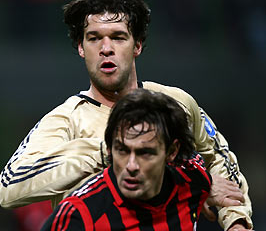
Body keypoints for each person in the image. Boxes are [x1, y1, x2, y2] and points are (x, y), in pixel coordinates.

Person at [0, 0, 253, 230]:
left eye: (118, 37)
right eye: (94, 38)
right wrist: (106, 151)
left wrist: (236, 221)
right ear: (80, 48)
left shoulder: (176, 103)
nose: (106, 48)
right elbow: (9, 188)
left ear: (138, 45)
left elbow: (218, 156)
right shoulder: (65, 120)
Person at [42, 88, 212, 230]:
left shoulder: (193, 179)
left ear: (172, 151)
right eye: (122, 150)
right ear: (109, 149)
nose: (131, 166)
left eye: (145, 153)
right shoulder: (80, 215)